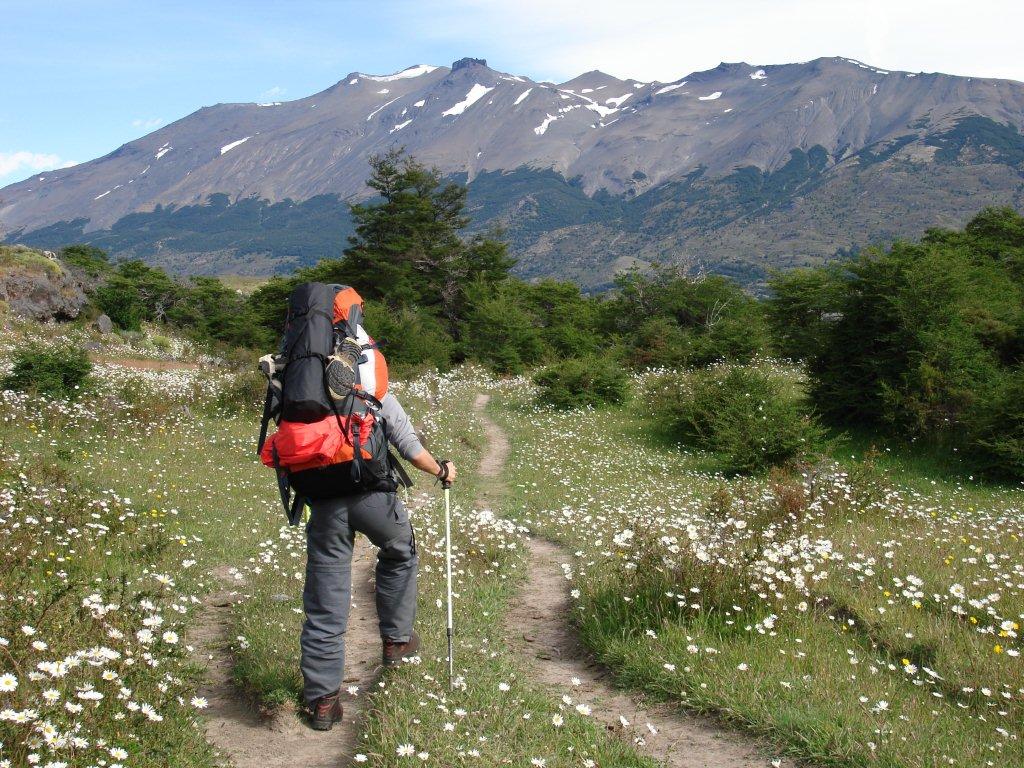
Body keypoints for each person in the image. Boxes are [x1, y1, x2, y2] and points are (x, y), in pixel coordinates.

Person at [302, 392, 457, 731]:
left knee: (325, 599)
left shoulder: (302, 398)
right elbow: (412, 451)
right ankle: (397, 640)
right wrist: (442, 470)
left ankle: (322, 701)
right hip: (374, 500)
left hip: (324, 507)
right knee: (400, 554)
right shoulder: (376, 394)